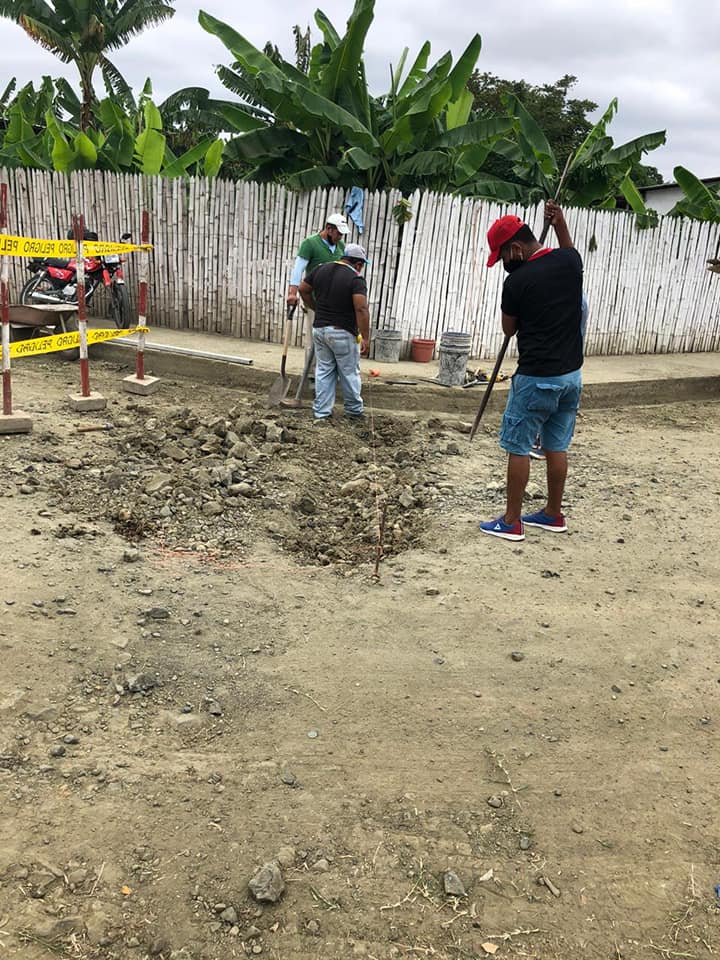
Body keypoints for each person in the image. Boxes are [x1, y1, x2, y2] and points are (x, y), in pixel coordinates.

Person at [479, 201, 583, 542]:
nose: (503, 265)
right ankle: (553, 514)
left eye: (503, 257)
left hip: (536, 377)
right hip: (571, 376)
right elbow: (568, 249)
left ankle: (511, 521)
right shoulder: (570, 263)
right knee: (556, 445)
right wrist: (560, 224)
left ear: (515, 249)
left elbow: (509, 330)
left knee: (519, 446)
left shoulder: (517, 282)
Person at [298, 243, 371, 422]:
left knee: (324, 371)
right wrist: (366, 337)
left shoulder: (320, 269)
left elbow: (303, 289)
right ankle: (354, 412)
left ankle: (322, 413)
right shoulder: (355, 279)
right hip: (342, 332)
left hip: (320, 330)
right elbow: (361, 308)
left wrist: (316, 307)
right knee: (349, 372)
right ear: (359, 264)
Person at [287, 213, 350, 308]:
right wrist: (292, 293)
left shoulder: (341, 245)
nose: (340, 237)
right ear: (329, 229)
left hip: (333, 301)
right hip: (314, 299)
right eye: (339, 233)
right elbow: (298, 269)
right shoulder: (309, 243)